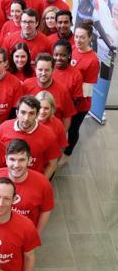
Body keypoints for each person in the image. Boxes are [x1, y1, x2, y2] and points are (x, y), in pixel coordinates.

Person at [0, 139, 55, 235]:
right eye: (12, 159)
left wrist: (36, 234)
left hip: (24, 234)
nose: (16, 165)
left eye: (22, 160)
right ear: (6, 159)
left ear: (29, 161)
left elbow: (45, 210)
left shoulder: (43, 184)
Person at [60, 22, 100, 166]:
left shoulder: (93, 60)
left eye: (82, 37)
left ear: (90, 38)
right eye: (76, 36)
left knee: (73, 129)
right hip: (65, 98)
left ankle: (67, 154)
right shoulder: (72, 49)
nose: (78, 40)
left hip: (80, 103)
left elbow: (87, 89)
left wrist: (72, 103)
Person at [0, 96, 60, 179]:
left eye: (31, 113)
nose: (26, 118)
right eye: (23, 112)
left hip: (33, 180)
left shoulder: (48, 135)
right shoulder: (4, 127)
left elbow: (52, 164)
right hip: (5, 179)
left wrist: (42, 182)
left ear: (37, 115)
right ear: (17, 113)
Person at [23, 52, 76, 129]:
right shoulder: (26, 85)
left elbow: (67, 116)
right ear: (35, 69)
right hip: (29, 130)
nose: (43, 73)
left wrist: (62, 133)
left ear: (53, 70)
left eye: (47, 70)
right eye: (40, 70)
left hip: (53, 131)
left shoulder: (62, 90)